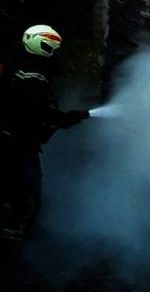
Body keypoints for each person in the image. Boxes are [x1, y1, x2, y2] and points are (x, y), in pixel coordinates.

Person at [0, 24, 91, 255]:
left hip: (14, 143)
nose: (55, 54)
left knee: (18, 193)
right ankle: (12, 244)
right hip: (17, 146)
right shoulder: (33, 78)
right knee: (27, 196)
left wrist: (64, 118)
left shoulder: (17, 69)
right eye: (51, 48)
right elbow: (37, 114)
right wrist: (66, 118)